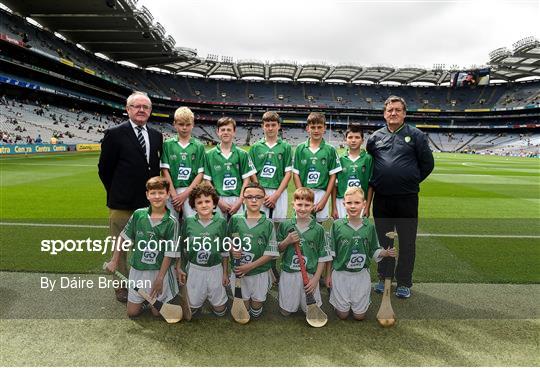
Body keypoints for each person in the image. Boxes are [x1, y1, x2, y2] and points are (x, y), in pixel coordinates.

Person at [366, 95, 434, 298]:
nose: (393, 113)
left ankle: (404, 282)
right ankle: (384, 277)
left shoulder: (416, 135)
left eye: (397, 109)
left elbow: (427, 164)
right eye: (390, 110)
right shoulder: (375, 137)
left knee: (407, 242)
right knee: (384, 242)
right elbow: (371, 164)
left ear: (404, 113)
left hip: (407, 199)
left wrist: (411, 180)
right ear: (384, 114)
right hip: (383, 199)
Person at [98, 91, 163, 303]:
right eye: (137, 106)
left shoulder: (156, 135)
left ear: (150, 111)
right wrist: (117, 191)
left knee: (144, 246)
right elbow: (104, 169)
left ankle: (144, 285)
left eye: (145, 107)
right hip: (122, 203)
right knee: (120, 247)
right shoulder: (114, 133)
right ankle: (121, 287)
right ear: (128, 109)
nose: (141, 110)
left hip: (148, 204)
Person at [105, 177, 179, 319]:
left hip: (158, 271)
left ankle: (169, 295)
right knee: (132, 313)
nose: (157, 196)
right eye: (153, 193)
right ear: (147, 195)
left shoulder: (172, 222)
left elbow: (170, 253)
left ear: (168, 194)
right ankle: (145, 300)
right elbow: (122, 237)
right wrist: (114, 260)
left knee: (157, 313)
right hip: (138, 270)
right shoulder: (139, 214)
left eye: (161, 192)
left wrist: (160, 278)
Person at [326, 187, 396, 320]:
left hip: (361, 274)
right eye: (349, 203)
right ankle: (336, 299)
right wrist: (328, 275)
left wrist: (385, 253)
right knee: (343, 315)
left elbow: (374, 249)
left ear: (364, 204)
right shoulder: (337, 225)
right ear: (344, 204)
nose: (353, 206)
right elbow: (331, 253)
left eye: (357, 203)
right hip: (341, 274)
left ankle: (356, 300)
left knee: (359, 316)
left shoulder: (369, 226)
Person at [276, 187, 332, 316]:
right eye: (299, 204)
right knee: (286, 311)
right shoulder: (285, 225)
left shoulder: (318, 229)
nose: (302, 208)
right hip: (289, 273)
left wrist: (316, 279)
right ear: (293, 204)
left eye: (307, 205)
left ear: (313, 206)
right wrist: (287, 241)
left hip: (310, 275)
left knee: (311, 311)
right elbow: (278, 250)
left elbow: (323, 257)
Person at [228, 182, 279, 318]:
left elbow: (271, 253)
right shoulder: (235, 219)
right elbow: (226, 240)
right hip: (239, 272)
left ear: (263, 199)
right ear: (243, 199)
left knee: (257, 306)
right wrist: (232, 248)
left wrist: (250, 266)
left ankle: (257, 308)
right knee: (244, 308)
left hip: (259, 272)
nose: (254, 200)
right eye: (249, 197)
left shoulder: (268, 223)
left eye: (258, 197)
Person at [179, 183, 229, 317]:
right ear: (194, 206)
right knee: (192, 308)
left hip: (215, 268)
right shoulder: (188, 222)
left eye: (207, 201)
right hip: (195, 269)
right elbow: (182, 248)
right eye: (199, 202)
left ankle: (211, 298)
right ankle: (197, 298)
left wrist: (225, 273)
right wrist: (180, 268)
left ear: (214, 204)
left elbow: (225, 250)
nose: (204, 205)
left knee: (221, 311)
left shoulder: (221, 222)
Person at [203, 117, 256, 219]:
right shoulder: (209, 155)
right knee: (218, 232)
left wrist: (240, 201)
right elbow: (207, 181)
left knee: (236, 232)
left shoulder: (243, 154)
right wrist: (218, 200)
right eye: (222, 130)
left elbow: (246, 180)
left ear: (234, 132)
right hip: (218, 200)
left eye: (229, 130)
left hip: (237, 199)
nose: (225, 132)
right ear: (217, 132)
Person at [292, 112, 342, 221]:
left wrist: (324, 200)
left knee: (318, 226)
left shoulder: (330, 150)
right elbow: (295, 174)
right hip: (304, 192)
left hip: (321, 193)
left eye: (319, 127)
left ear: (324, 128)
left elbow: (333, 177)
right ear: (307, 128)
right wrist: (302, 195)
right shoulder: (300, 148)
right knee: (301, 225)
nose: (316, 130)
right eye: (313, 127)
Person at [161, 107, 205, 220]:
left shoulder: (199, 146)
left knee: (191, 223)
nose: (184, 128)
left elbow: (200, 174)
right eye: (181, 124)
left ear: (193, 124)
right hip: (171, 191)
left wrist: (185, 194)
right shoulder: (167, 144)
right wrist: (175, 195)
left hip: (191, 191)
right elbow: (165, 170)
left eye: (188, 124)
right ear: (174, 124)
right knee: (171, 223)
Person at [248, 111, 292, 222]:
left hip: (279, 192)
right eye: (267, 125)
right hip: (259, 191)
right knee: (259, 224)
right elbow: (252, 173)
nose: (270, 128)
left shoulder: (286, 147)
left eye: (273, 125)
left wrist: (276, 195)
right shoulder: (255, 147)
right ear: (262, 126)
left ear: (279, 126)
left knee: (278, 225)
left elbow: (288, 174)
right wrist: (262, 193)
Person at [332, 124, 373, 219]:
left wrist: (367, 206)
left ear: (362, 140)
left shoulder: (368, 159)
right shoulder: (340, 159)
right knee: (343, 231)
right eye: (350, 137)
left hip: (361, 201)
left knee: (359, 231)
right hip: (342, 201)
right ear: (345, 140)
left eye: (357, 137)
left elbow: (371, 185)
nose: (353, 140)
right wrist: (334, 207)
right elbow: (334, 185)